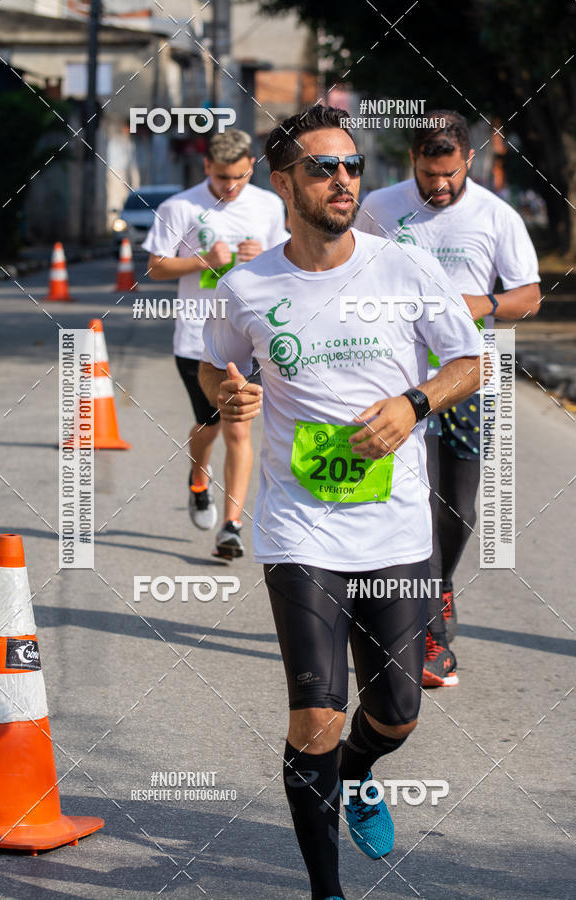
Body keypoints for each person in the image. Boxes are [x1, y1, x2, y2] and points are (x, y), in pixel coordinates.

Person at [199, 105, 482, 900]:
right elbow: (218, 370)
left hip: (395, 531)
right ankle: (327, 891)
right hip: (298, 531)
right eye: (324, 167)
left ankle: (360, 773)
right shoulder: (246, 285)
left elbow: (469, 360)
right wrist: (230, 396)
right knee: (316, 713)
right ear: (284, 181)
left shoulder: (402, 266)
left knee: (395, 714)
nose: (343, 180)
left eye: (352, 166)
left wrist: (414, 406)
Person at [356, 110, 540, 688]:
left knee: (456, 508)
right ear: (412, 160)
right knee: (412, 503)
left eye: (450, 175)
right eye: (429, 174)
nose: (439, 186)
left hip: (466, 380)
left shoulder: (496, 216)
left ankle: (439, 585)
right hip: (396, 379)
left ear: (468, 162)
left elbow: (529, 296)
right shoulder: (379, 208)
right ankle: (428, 634)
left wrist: (474, 305)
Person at [143, 129, 288, 558]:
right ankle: (198, 474)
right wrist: (204, 260)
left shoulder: (268, 205)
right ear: (207, 167)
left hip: (249, 338)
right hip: (195, 339)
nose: (231, 186)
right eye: (223, 177)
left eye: (240, 177)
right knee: (210, 426)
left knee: (239, 427)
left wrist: (262, 254)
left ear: (250, 169)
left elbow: (286, 261)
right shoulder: (180, 207)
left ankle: (231, 526)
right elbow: (156, 267)